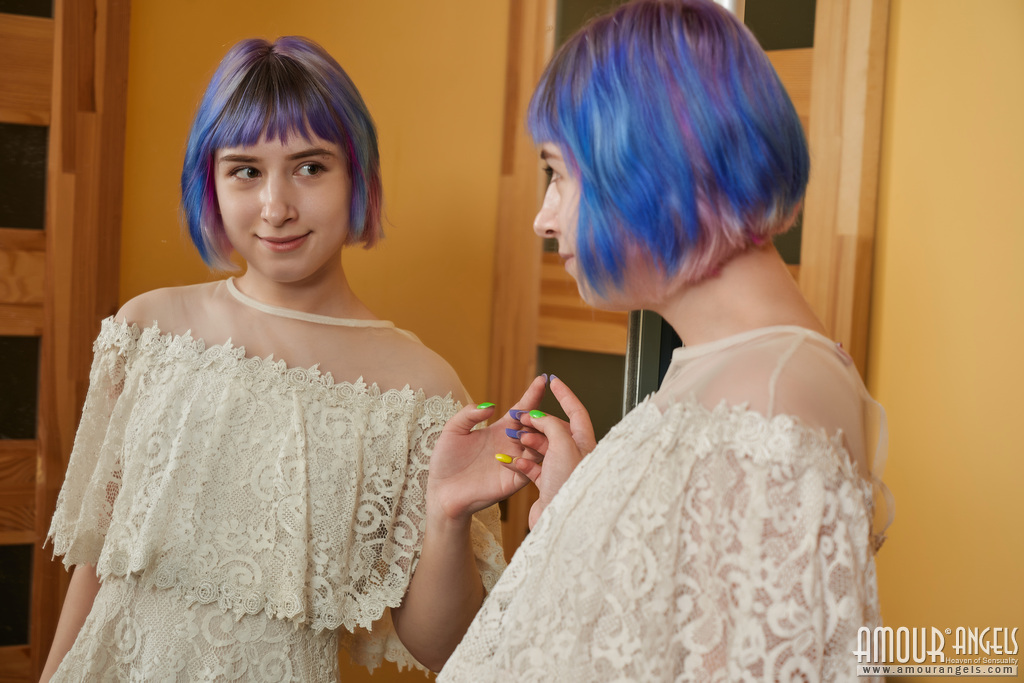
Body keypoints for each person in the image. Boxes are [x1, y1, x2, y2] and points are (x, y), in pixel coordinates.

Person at [40, 36, 543, 681]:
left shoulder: (419, 387)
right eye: (246, 170)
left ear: (357, 176)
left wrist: (446, 518)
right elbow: (96, 569)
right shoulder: (148, 331)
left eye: (309, 167)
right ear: (210, 182)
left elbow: (441, 649)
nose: (276, 208)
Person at [432, 1, 892, 680]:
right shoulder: (733, 371)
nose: (542, 219)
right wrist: (581, 521)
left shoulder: (768, 400)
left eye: (557, 173)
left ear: (648, 162)